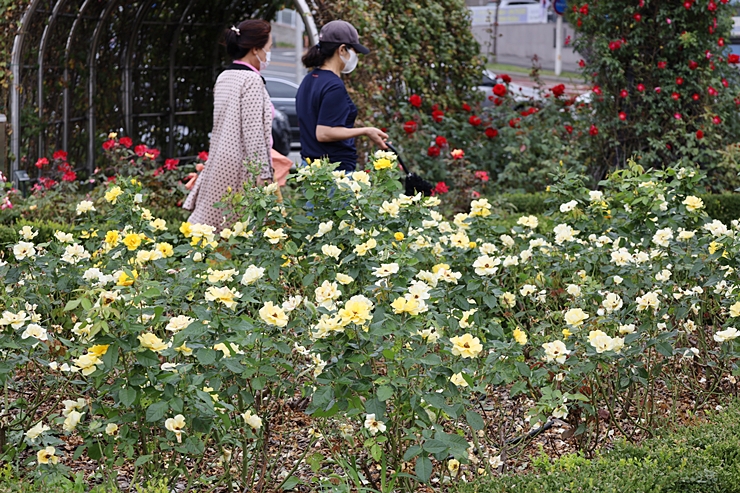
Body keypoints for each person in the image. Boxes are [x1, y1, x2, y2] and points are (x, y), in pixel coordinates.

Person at [183, 19, 273, 230]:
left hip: (221, 162)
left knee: (214, 230)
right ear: (255, 49)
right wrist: (263, 177)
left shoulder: (225, 76)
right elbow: (254, 134)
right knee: (242, 233)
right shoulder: (251, 81)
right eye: (268, 49)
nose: (269, 54)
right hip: (241, 170)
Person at [296, 20, 388, 174]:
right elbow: (324, 133)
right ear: (342, 50)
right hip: (333, 171)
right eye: (354, 51)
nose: (355, 57)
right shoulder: (334, 86)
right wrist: (366, 131)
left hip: (311, 168)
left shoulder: (310, 79)